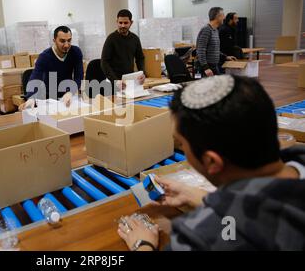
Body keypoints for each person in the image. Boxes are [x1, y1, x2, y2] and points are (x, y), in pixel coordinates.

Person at [118, 75, 305, 251]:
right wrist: (202, 197)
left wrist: (143, 244)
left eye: (181, 143)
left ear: (211, 161)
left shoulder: (201, 238)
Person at [19, 26, 83, 111]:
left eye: (69, 40)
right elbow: (35, 77)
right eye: (62, 41)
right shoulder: (45, 57)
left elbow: (79, 76)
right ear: (54, 41)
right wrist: (31, 97)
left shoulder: (76, 52)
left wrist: (71, 92)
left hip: (68, 95)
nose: (67, 45)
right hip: (50, 98)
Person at [101, 9, 145, 91]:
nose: (123, 25)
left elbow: (140, 58)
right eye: (120, 23)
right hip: (113, 81)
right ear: (117, 22)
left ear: (131, 23)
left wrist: (142, 73)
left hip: (130, 80)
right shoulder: (111, 39)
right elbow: (104, 62)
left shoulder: (135, 39)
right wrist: (115, 81)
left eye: (125, 23)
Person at [196, 7, 236, 77]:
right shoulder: (206, 30)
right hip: (207, 68)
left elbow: (215, 50)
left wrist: (225, 57)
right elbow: (200, 50)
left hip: (214, 66)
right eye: (223, 15)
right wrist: (206, 68)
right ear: (218, 16)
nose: (224, 17)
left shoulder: (215, 30)